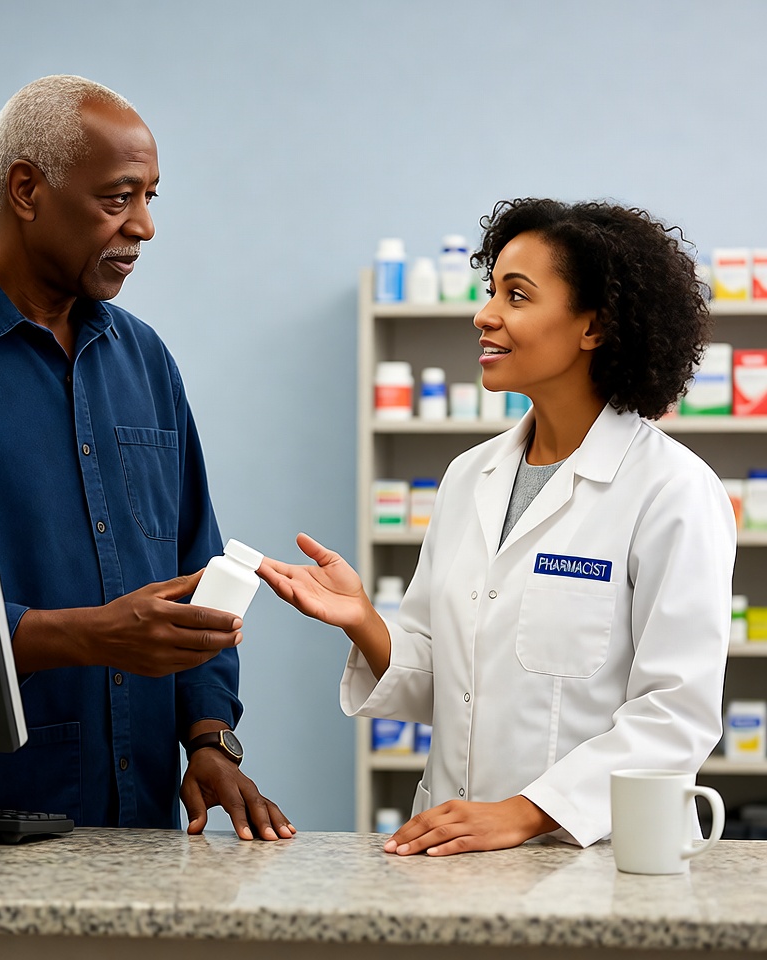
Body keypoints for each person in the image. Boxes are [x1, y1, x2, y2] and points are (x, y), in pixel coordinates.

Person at [0, 75, 294, 841]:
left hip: (140, 825)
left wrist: (210, 736)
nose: (144, 225)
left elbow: (195, 567)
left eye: (150, 197)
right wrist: (88, 634)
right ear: (26, 190)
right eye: (118, 198)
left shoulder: (145, 361)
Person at [259, 198, 735, 855]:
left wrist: (525, 813)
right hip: (454, 851)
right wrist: (362, 620)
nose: (484, 315)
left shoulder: (671, 490)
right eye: (491, 291)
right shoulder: (468, 477)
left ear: (594, 326)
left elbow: (674, 716)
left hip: (598, 865)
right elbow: (445, 684)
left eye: (517, 295)